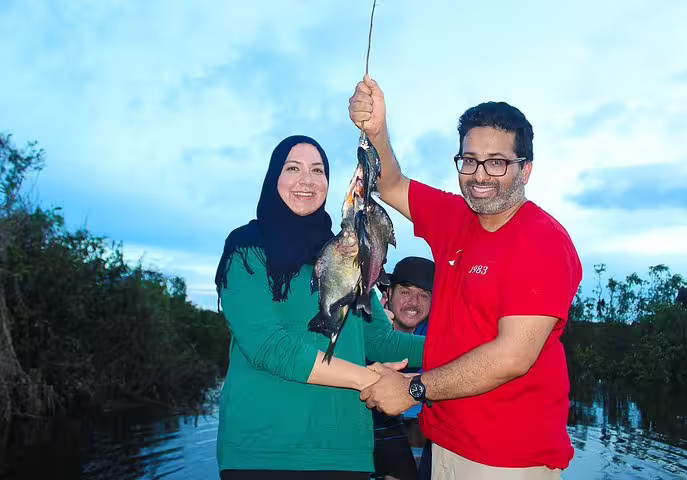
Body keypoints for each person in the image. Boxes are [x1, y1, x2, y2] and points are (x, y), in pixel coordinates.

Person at [348, 77, 583, 479]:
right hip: (444, 442)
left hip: (508, 459)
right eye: (469, 160)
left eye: (497, 162)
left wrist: (411, 388)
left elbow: (512, 357)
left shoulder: (543, 241)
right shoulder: (455, 218)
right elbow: (389, 184)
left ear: (525, 170)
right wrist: (377, 129)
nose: (479, 175)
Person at [213, 135, 425, 480]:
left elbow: (381, 342)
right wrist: (364, 378)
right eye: (293, 168)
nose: (307, 180)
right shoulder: (245, 249)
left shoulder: (349, 253)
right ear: (273, 178)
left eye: (318, 170)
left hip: (345, 452)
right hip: (263, 453)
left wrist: (470, 347)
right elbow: (267, 346)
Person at [372, 257, 434, 480]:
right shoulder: (364, 323)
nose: (414, 303)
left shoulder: (429, 332)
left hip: (398, 434)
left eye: (424, 295)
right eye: (406, 292)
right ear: (388, 294)